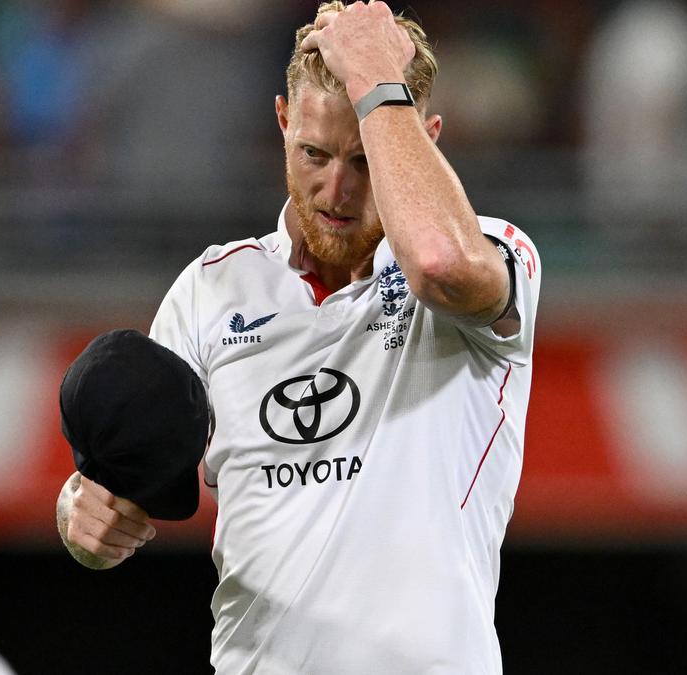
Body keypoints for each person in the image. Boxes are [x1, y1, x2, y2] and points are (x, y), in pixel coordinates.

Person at [55, 1, 541, 672]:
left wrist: (378, 83)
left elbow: (437, 262)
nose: (335, 190)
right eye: (314, 153)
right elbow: (122, 474)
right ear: (283, 122)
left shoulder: (494, 252)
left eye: (364, 159)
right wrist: (78, 509)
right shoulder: (211, 288)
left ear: (421, 138)